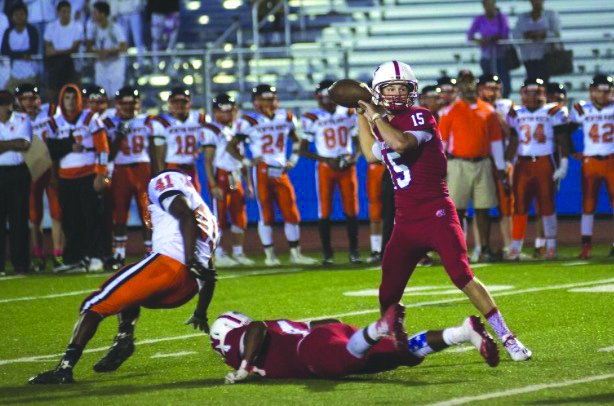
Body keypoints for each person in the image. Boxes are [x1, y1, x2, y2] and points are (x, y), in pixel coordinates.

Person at [357, 60, 530, 361]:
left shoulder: (421, 116)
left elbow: (399, 142)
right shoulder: (382, 123)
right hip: (405, 222)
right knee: (387, 291)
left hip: (436, 214)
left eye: (402, 88)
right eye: (390, 88)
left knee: (461, 274)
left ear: (412, 91)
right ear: (378, 92)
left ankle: (507, 336)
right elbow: (370, 154)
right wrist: (359, 115)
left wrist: (374, 115)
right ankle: (395, 339)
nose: (397, 94)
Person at [29, 169, 218, 384]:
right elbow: (210, 272)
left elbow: (183, 214)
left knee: (93, 304)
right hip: (187, 287)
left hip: (169, 265)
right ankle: (124, 337)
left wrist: (189, 260)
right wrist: (200, 312)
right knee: (129, 284)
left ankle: (64, 369)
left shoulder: (163, 182)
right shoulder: (208, 216)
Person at [210, 304, 499, 383]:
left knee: (338, 362)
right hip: (333, 334)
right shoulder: (277, 327)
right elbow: (325, 323)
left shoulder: (245, 336)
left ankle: (380, 327)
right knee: (404, 354)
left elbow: (256, 329)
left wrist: (245, 366)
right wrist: (347, 333)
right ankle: (464, 332)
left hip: (310, 350)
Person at [227, 84, 316, 266]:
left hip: (281, 169)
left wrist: (293, 159)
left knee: (290, 211)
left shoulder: (286, 116)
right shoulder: (247, 121)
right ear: (255, 102)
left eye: (272, 99)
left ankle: (295, 253)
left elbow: (296, 140)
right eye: (265, 99)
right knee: (266, 213)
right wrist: (246, 161)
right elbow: (231, 146)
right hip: (261, 170)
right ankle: (269, 256)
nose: (270, 103)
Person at [439, 70, 508, 262]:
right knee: (457, 210)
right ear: (459, 86)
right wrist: (439, 169)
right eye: (464, 83)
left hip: (482, 163)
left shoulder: (488, 110)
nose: (467, 87)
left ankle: (483, 247)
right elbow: (442, 144)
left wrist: (501, 168)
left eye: (470, 82)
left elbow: (495, 142)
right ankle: (458, 249)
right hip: (457, 163)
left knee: (483, 208)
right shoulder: (449, 111)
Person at [46, 84, 110, 273]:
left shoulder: (90, 118)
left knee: (92, 217)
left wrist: (100, 173)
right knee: (70, 220)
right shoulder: (54, 122)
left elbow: (103, 148)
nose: (71, 102)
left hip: (88, 174)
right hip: (66, 177)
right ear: (61, 100)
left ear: (80, 100)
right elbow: (52, 150)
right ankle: (74, 258)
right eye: (67, 98)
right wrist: (54, 175)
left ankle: (97, 255)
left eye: (74, 98)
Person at [504, 78, 569, 260]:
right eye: (528, 92)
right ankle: (515, 247)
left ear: (543, 93)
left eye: (536, 92)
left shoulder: (554, 110)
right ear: (522, 93)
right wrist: (506, 163)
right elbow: (514, 141)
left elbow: (562, 140)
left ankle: (551, 246)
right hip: (522, 164)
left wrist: (563, 164)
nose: (532, 96)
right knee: (519, 206)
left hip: (544, 162)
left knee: (547, 205)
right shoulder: (515, 112)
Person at [300, 80, 362, 265]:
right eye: (323, 98)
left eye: (330, 98)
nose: (327, 102)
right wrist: (326, 160)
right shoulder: (312, 117)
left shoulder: (349, 112)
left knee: (351, 209)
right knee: (324, 210)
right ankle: (327, 253)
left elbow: (358, 140)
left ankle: (354, 251)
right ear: (317, 98)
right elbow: (303, 150)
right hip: (326, 168)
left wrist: (355, 157)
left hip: (346, 166)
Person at [15, 83, 64, 272]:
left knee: (57, 213)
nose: (30, 103)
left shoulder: (51, 111)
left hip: (51, 167)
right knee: (34, 217)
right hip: (29, 169)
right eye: (25, 99)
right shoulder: (16, 119)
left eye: (33, 98)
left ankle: (58, 254)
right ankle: (38, 256)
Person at [105, 86, 153, 270]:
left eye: (132, 103)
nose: (128, 107)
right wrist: (119, 134)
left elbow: (155, 149)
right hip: (120, 169)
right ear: (117, 104)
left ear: (138, 103)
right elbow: (109, 153)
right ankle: (119, 254)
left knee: (147, 212)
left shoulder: (147, 120)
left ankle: (150, 252)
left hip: (142, 168)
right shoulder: (110, 122)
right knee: (119, 213)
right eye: (124, 103)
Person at [204, 94, 255, 267]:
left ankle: (238, 252)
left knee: (239, 216)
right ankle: (219, 253)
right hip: (221, 175)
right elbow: (208, 160)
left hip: (236, 175)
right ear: (216, 112)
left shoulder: (238, 128)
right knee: (219, 219)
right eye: (223, 111)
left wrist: (248, 182)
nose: (228, 114)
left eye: (231, 110)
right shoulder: (212, 129)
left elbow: (242, 157)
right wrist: (212, 183)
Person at [569, 74, 614, 259]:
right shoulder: (581, 108)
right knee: (588, 205)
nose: (603, 95)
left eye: (607, 91)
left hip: (611, 160)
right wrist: (572, 151)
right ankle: (586, 245)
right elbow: (564, 132)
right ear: (591, 92)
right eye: (599, 91)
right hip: (590, 162)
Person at [477, 74, 513, 255]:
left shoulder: (507, 107)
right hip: (482, 161)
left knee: (506, 206)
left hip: (501, 161)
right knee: (480, 207)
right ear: (480, 89)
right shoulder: (475, 107)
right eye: (489, 88)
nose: (493, 92)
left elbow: (513, 134)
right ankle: (480, 247)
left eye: (496, 88)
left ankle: (510, 246)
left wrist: (507, 159)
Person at [150, 87, 213, 192]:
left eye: (183, 102)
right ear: (169, 104)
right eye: (175, 102)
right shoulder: (161, 122)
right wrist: (162, 175)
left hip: (191, 167)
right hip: (171, 167)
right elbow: (159, 154)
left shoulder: (199, 118)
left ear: (190, 103)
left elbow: (210, 140)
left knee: (195, 201)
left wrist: (199, 149)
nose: (179, 105)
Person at [0, 90, 31, 276]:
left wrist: (2, 145)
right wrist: (11, 144)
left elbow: (24, 144)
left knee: (19, 219)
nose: (6, 108)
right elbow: (17, 142)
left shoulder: (22, 119)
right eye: (3, 104)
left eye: (8, 104)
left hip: (18, 172)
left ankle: (21, 264)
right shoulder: (20, 121)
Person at [467, 0, 511, 97]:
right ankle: (487, 97)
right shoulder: (480, 19)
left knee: (503, 78)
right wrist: (481, 40)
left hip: (500, 56)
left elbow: (505, 33)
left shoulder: (501, 18)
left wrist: (492, 38)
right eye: (487, 4)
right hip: (486, 56)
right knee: (487, 79)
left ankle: (504, 96)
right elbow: (470, 35)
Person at [86, 1, 127, 98]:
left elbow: (124, 47)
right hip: (101, 65)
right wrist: (98, 53)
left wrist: (109, 52)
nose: (93, 15)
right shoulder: (92, 28)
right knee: (101, 94)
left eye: (95, 13)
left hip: (115, 65)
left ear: (103, 14)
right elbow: (88, 47)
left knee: (115, 95)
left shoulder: (115, 28)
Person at [513, 0, 561, 82]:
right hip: (529, 57)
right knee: (531, 81)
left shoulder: (550, 15)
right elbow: (516, 35)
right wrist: (527, 35)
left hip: (546, 57)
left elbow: (556, 33)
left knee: (544, 82)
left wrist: (543, 35)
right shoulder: (523, 17)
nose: (536, 2)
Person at [43, 1, 82, 102]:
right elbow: (48, 48)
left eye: (69, 12)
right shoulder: (51, 27)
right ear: (58, 12)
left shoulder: (77, 26)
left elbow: (74, 49)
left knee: (71, 91)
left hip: (71, 64)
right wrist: (63, 52)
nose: (66, 14)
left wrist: (56, 52)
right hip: (54, 65)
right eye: (64, 12)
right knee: (53, 91)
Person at [1, 2, 39, 91]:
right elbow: (4, 51)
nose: (19, 17)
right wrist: (20, 55)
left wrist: (15, 54)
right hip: (14, 74)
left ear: (26, 15)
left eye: (22, 14)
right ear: (12, 17)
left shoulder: (32, 30)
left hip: (30, 73)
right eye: (16, 14)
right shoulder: (8, 32)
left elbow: (34, 49)